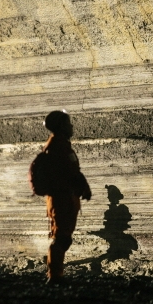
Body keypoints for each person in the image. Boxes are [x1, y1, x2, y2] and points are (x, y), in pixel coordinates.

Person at [37, 110, 92, 284]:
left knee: (63, 236)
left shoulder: (61, 145)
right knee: (61, 237)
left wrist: (82, 187)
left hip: (66, 198)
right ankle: (54, 276)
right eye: (68, 123)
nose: (71, 126)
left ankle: (56, 274)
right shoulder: (57, 147)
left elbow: (72, 172)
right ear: (61, 126)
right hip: (61, 200)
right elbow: (67, 174)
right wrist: (81, 185)